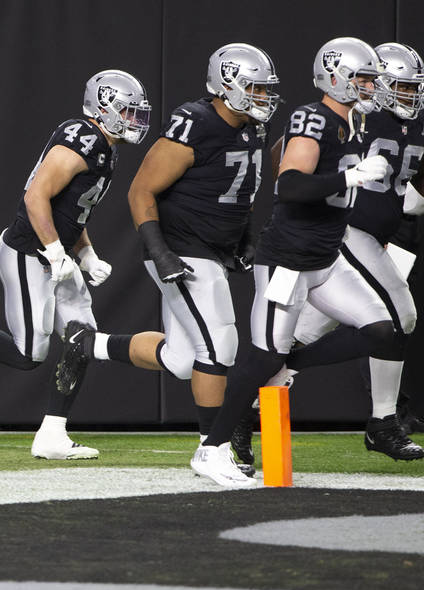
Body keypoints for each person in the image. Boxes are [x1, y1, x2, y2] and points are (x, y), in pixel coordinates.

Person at [0, 70, 151, 460]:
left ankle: (52, 434)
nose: (135, 121)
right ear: (103, 108)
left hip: (58, 256)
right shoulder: (83, 139)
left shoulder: (105, 147)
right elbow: (36, 196)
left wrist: (86, 255)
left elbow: (73, 214)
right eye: (128, 112)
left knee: (79, 343)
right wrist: (53, 250)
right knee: (28, 355)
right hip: (28, 254)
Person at [54, 45, 280, 473]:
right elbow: (141, 191)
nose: (262, 97)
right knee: (220, 344)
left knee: (181, 358)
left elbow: (243, 191)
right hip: (181, 248)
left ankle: (88, 344)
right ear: (226, 84)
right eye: (253, 87)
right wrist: (159, 252)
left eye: (265, 89)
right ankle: (211, 449)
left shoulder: (253, 126)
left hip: (213, 248)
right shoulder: (197, 122)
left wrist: (245, 238)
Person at [192, 37, 398, 487]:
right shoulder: (315, 117)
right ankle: (210, 450)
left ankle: (293, 362)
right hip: (288, 260)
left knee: (384, 330)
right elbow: (288, 186)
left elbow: (282, 159)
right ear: (337, 77)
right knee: (263, 355)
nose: (370, 86)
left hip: (326, 258)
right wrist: (350, 175)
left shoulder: (353, 120)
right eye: (363, 77)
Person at [281, 42, 424, 461]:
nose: (410, 95)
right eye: (400, 86)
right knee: (401, 316)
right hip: (346, 230)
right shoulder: (354, 116)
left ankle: (268, 382)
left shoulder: (411, 122)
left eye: (414, 87)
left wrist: (404, 200)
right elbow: (290, 168)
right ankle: (382, 423)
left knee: (304, 331)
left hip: (375, 234)